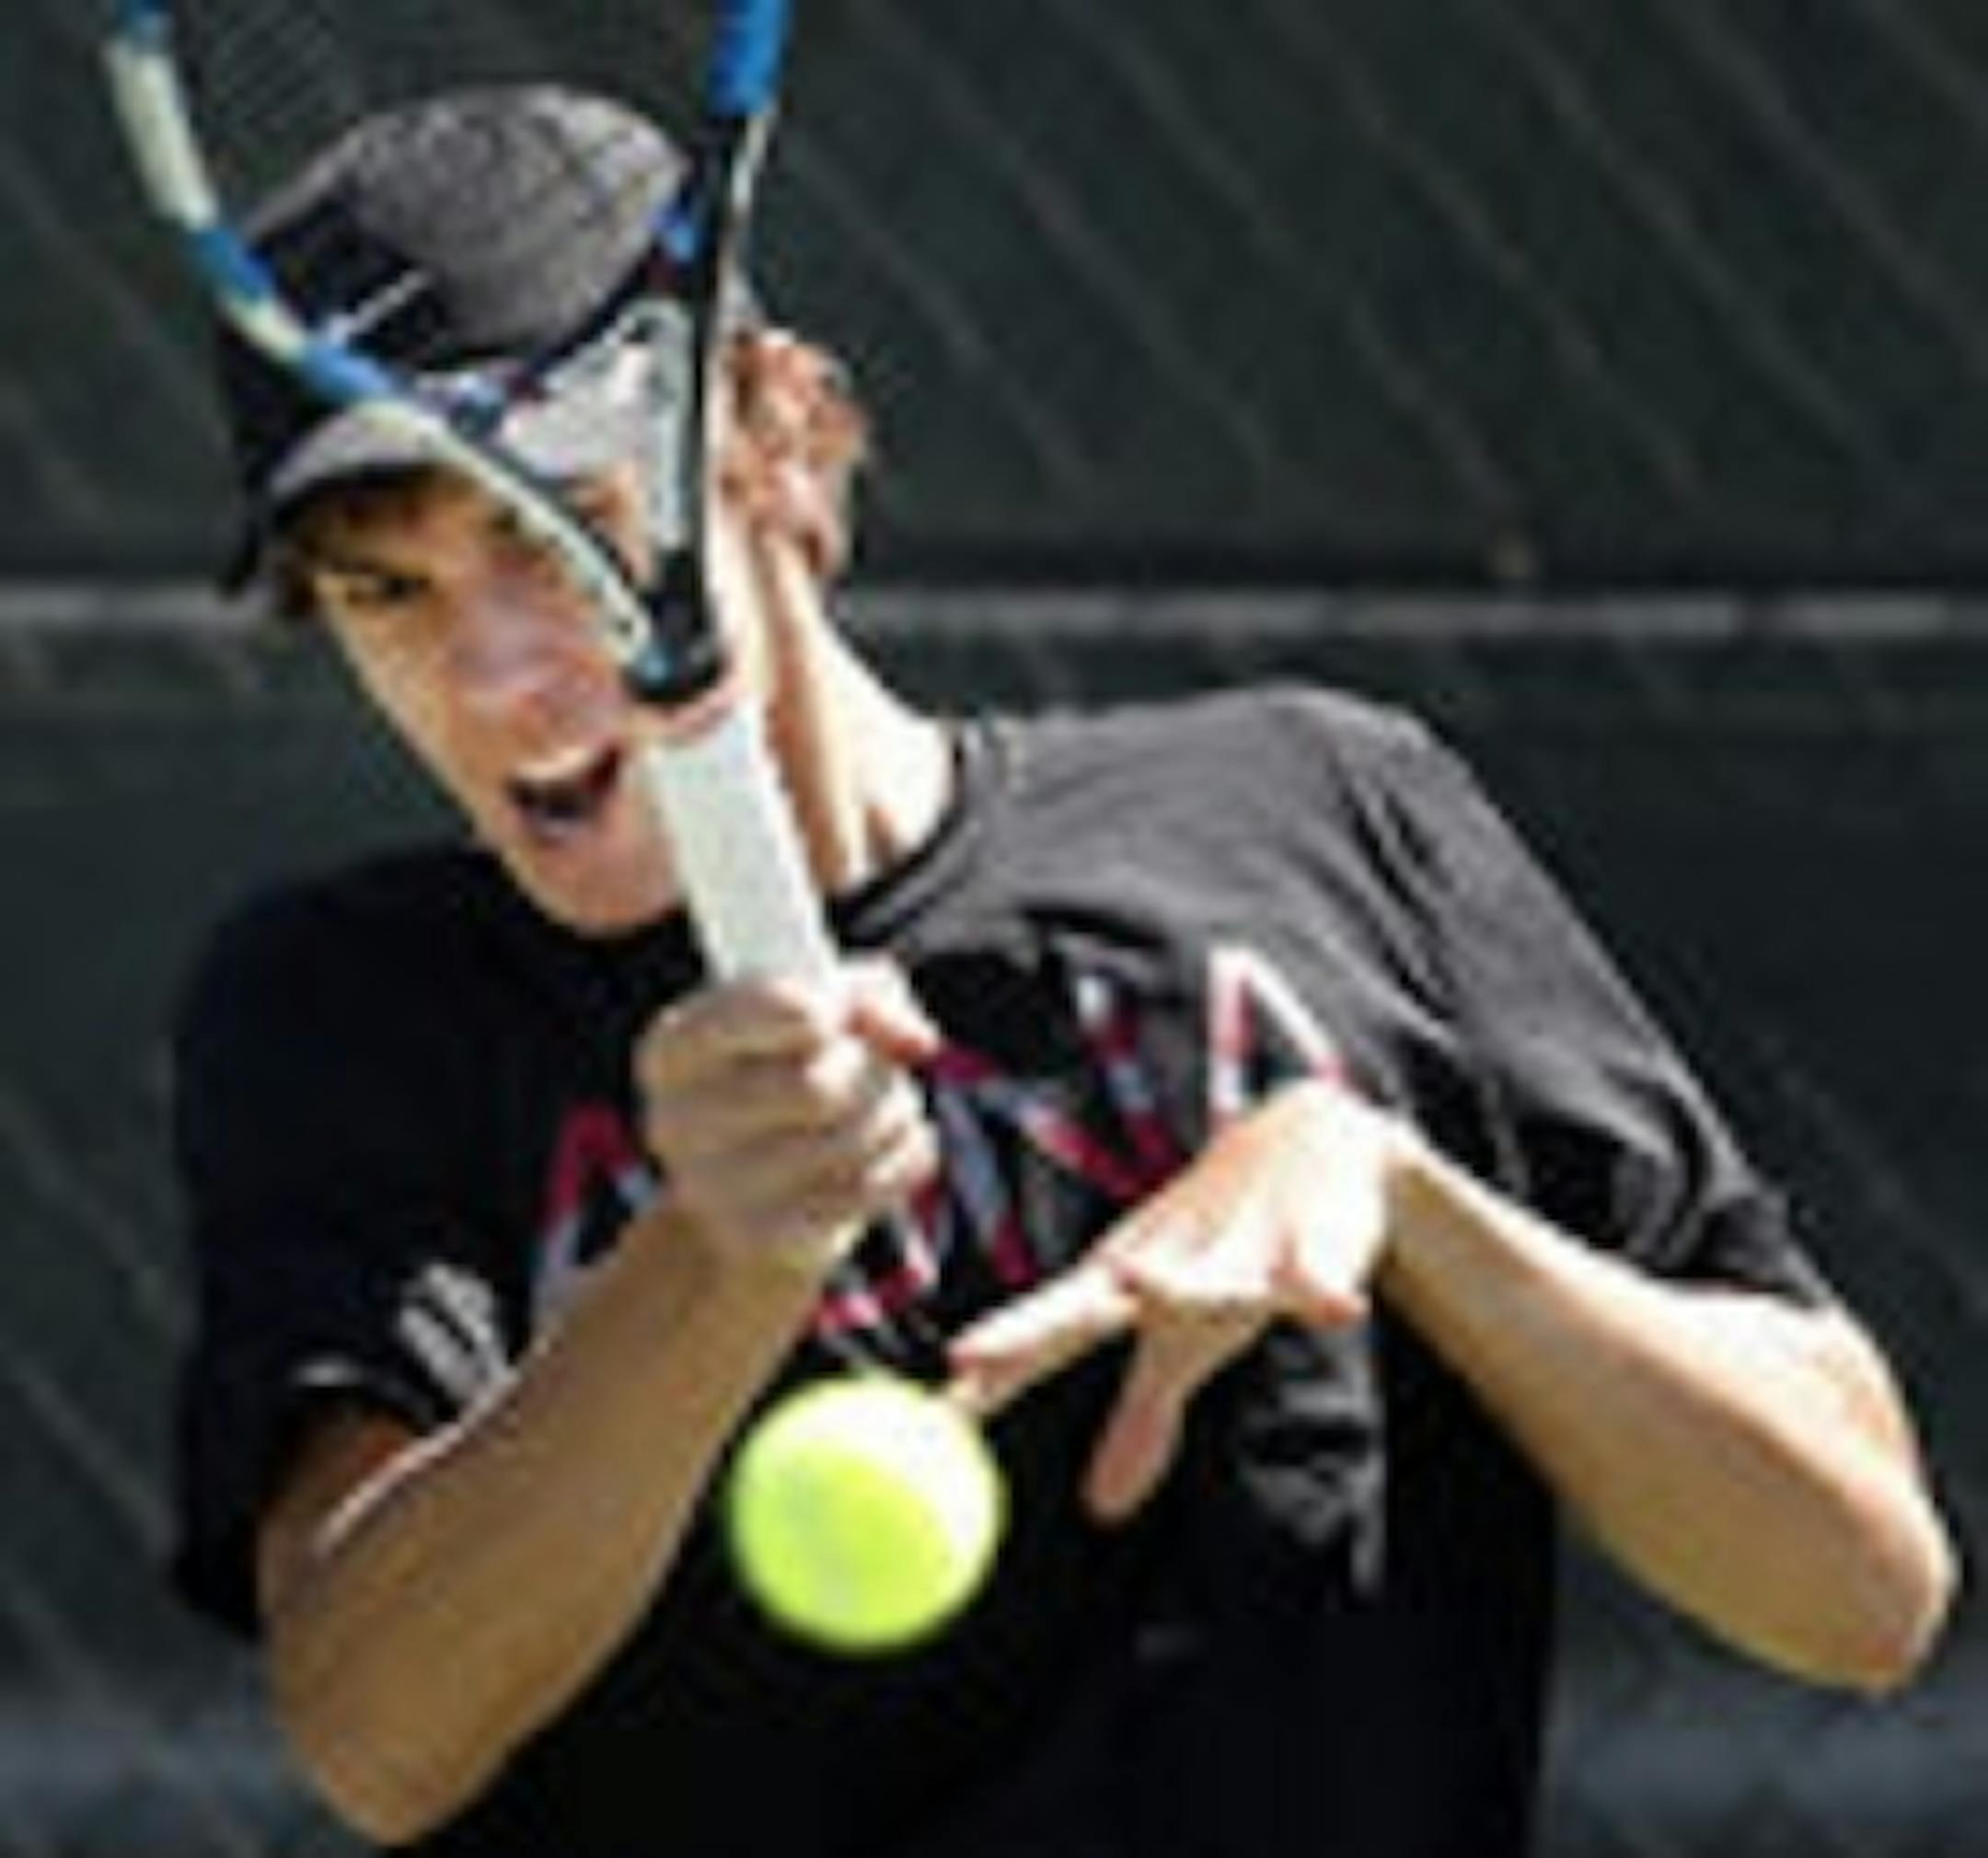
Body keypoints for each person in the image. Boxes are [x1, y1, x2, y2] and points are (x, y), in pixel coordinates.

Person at [168, 86, 1955, 1858]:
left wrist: (1399, 1195)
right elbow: (377, 1732)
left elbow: (1863, 1582)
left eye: (551, 533)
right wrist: (712, 1253)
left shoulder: (1326, 808)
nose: (490, 675)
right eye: (384, 593)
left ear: (785, 436)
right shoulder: (350, 1009)